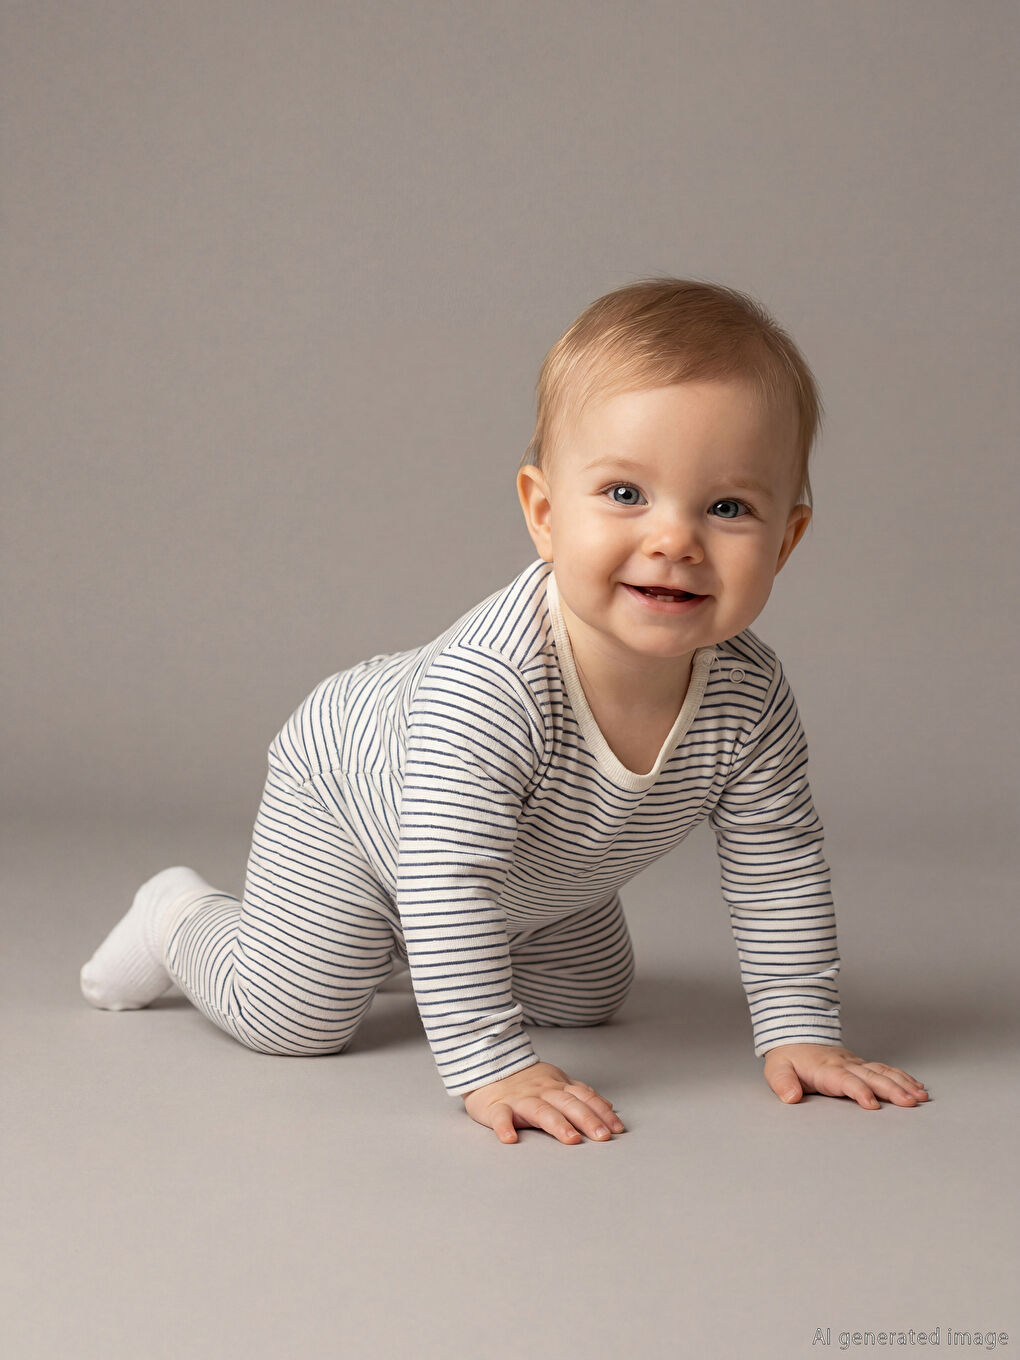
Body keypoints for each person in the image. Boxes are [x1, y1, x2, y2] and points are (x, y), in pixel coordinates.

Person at [80, 276, 929, 1145]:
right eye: (626, 494)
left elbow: (778, 867)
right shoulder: (491, 688)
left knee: (589, 1000)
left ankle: (427, 951)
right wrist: (491, 1063)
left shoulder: (750, 695)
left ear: (786, 540)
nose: (675, 540)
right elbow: (448, 874)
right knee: (294, 1017)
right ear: (545, 513)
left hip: (536, 867)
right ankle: (176, 915)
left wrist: (802, 1031)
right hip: (352, 805)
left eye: (727, 507)